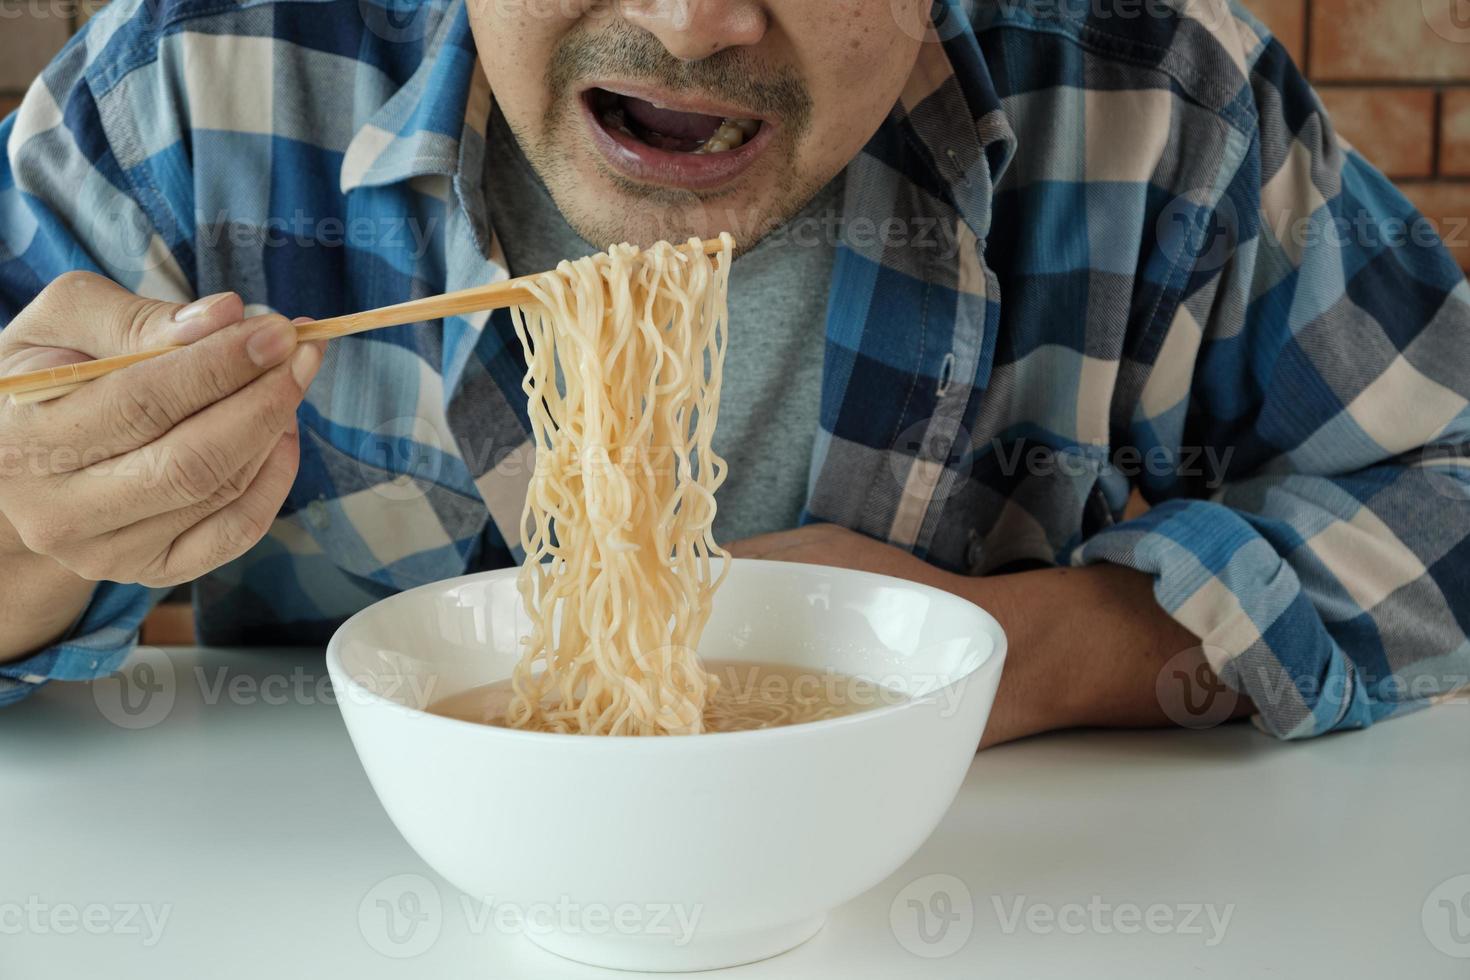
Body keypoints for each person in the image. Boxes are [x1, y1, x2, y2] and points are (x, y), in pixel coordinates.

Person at [0, 0, 1465, 744]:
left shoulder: (1151, 94)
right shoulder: (194, 81)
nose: (695, 20)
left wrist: (1036, 652)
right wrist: (27, 533)